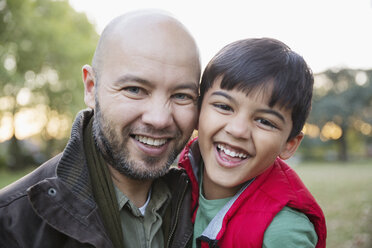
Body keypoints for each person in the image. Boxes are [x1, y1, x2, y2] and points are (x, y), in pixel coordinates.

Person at [0, 10, 200, 248]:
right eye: (134, 89)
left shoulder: (208, 209)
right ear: (91, 88)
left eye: (181, 95)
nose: (159, 119)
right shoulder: (12, 224)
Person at [178, 38, 327, 247]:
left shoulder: (283, 231)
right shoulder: (172, 183)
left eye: (265, 121)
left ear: (289, 144)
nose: (238, 130)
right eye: (224, 106)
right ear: (198, 110)